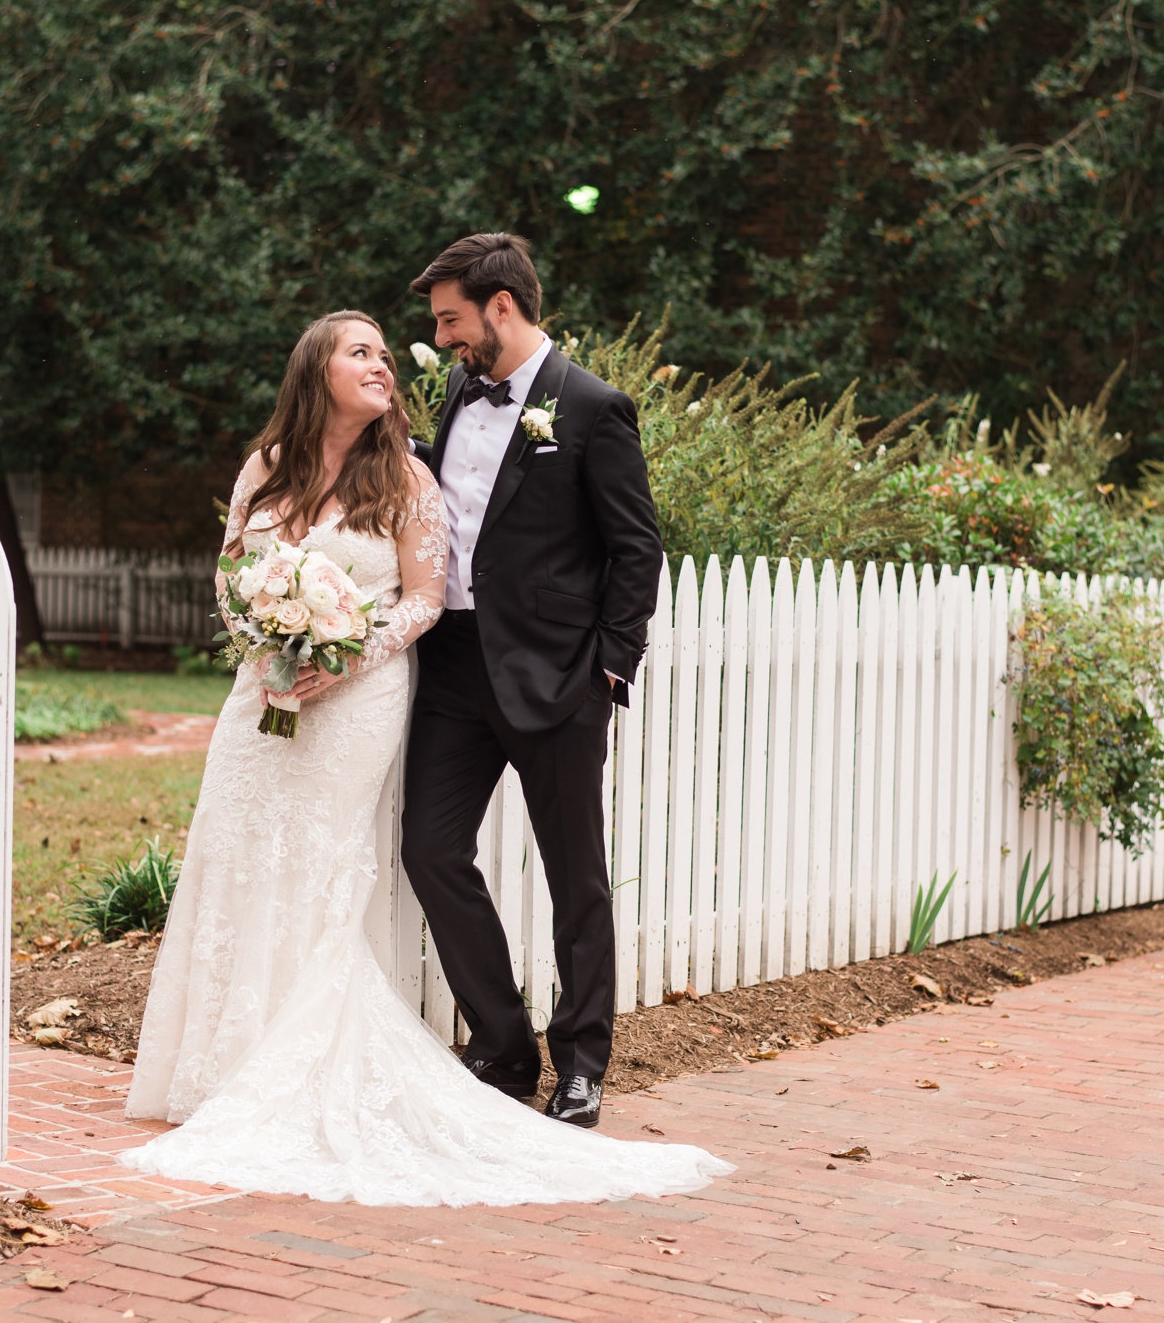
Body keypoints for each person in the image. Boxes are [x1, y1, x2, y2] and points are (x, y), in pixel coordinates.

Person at [119, 308, 730, 1206]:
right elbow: (229, 575)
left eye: (398, 344)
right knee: (270, 855)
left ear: (498, 305)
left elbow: (428, 593)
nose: (395, 359)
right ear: (313, 368)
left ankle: (578, 1061)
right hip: (270, 698)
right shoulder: (270, 466)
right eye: (360, 351)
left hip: (395, 688)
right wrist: (270, 648)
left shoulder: (410, 470)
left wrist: (334, 658)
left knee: (528, 865)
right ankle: (259, 1054)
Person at [400, 233, 662, 1128]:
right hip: (454, 669)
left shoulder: (591, 406)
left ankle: (582, 1063)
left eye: (450, 320)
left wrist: (609, 668)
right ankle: (503, 1043)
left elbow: (637, 547)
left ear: (500, 306)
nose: (441, 340)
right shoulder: (459, 393)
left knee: (574, 875)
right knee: (430, 848)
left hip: (558, 679)